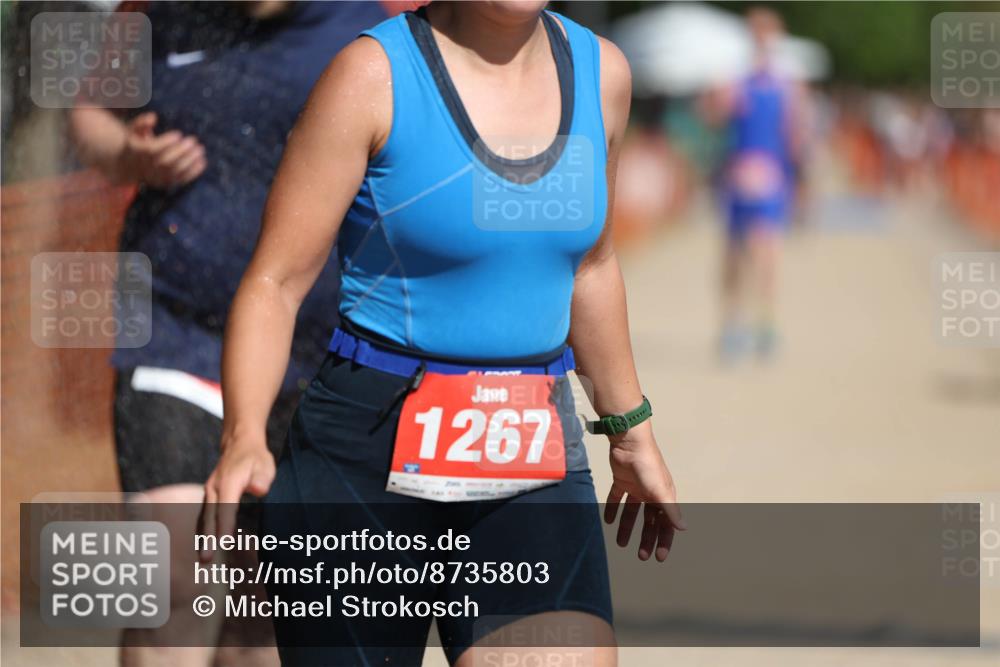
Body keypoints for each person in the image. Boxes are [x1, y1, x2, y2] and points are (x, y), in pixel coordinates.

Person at [202, 2, 684, 665]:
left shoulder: (603, 73)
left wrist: (631, 431)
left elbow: (592, 267)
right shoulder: (371, 75)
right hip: (362, 462)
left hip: (529, 445)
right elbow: (276, 281)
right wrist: (244, 436)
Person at [68, 1, 387, 665]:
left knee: (261, 611)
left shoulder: (363, 30)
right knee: (174, 581)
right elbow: (87, 114)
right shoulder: (163, 13)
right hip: (174, 327)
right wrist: (125, 153)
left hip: (311, 353)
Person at [708, 7, 807, 362]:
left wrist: (798, 183)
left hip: (772, 178)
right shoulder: (736, 82)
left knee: (767, 254)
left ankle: (765, 323)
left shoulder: (788, 86)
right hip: (738, 177)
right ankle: (732, 322)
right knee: (734, 256)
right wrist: (721, 103)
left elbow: (795, 137)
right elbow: (715, 122)